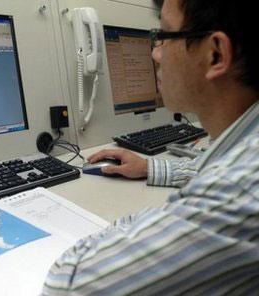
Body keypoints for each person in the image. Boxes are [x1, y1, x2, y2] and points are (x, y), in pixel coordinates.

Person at [42, 0, 259, 294]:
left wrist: (132, 234)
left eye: (163, 36)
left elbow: (69, 286)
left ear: (215, 54)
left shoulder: (240, 187)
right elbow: (209, 166)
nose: (155, 54)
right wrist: (149, 166)